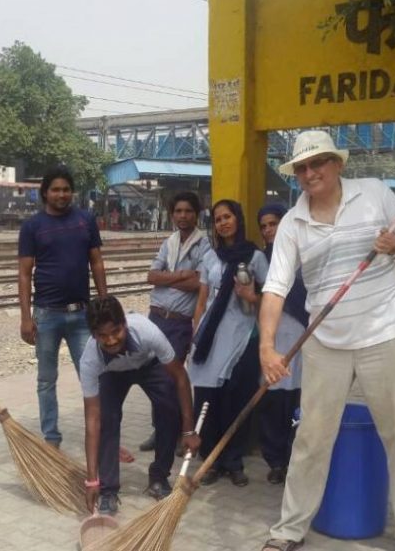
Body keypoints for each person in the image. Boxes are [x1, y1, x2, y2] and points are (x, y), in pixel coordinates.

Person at [258, 130, 395, 551]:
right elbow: (275, 288)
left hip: (385, 333)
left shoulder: (373, 193)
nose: (310, 172)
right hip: (325, 341)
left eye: (318, 163)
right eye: (301, 167)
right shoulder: (293, 223)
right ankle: (288, 531)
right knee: (312, 439)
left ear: (337, 164)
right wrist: (266, 347)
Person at [80, 297, 200, 516]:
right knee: (106, 420)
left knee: (168, 409)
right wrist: (91, 480)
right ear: (93, 335)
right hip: (112, 374)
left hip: (149, 364)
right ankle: (107, 490)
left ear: (124, 324)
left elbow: (181, 377)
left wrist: (189, 430)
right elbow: (92, 421)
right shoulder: (90, 360)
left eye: (115, 331)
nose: (110, 341)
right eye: (102, 336)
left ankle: (159, 477)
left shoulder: (147, 332)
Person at [18, 166, 108, 447]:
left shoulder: (85, 220)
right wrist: (25, 317)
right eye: (55, 189)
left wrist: (104, 301)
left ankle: (100, 433)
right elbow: (24, 273)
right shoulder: (32, 227)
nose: (61, 194)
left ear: (72, 192)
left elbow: (96, 262)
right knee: (46, 379)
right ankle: (51, 437)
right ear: (45, 192)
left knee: (91, 375)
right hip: (46, 315)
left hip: (81, 314)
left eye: (66, 189)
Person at [189, 199, 267, 487]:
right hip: (211, 339)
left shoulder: (255, 257)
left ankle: (233, 461)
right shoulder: (211, 258)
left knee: (237, 400)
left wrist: (250, 297)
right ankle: (210, 461)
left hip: (242, 337)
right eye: (218, 219)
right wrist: (196, 338)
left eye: (228, 217)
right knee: (209, 401)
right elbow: (202, 302)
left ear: (238, 219)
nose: (223, 223)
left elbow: (269, 300)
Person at [138, 191, 210, 452]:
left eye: (188, 211)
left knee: (174, 378)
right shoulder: (169, 242)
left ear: (197, 214)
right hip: (156, 318)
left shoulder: (205, 246)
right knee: (154, 377)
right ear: (172, 214)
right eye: (178, 211)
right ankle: (160, 430)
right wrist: (181, 275)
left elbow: (200, 282)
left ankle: (180, 433)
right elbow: (151, 276)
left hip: (179, 323)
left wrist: (167, 277)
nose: (183, 216)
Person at [256, 204, 305, 486]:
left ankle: (295, 460)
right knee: (274, 403)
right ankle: (275, 461)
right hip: (273, 341)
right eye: (263, 226)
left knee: (298, 405)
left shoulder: (302, 255)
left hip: (303, 339)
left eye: (273, 223)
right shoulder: (262, 259)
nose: (268, 230)